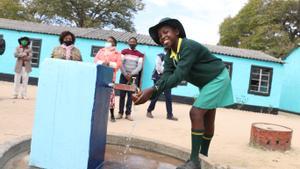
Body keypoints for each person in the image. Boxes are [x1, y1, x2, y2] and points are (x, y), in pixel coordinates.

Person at [133, 18, 234, 169]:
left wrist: (152, 90)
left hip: (217, 77)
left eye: (166, 32)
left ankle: (194, 161)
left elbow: (178, 76)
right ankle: (202, 156)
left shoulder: (188, 46)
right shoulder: (169, 56)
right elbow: (165, 78)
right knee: (208, 115)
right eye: (160, 36)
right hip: (205, 82)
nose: (163, 37)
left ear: (177, 32)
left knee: (196, 113)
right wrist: (149, 94)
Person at [94, 36, 122, 122]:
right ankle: (97, 114)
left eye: (111, 41)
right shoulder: (101, 51)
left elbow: (118, 65)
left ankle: (112, 115)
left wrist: (109, 63)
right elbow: (95, 61)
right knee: (98, 95)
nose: (108, 42)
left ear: (114, 44)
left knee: (111, 97)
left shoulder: (117, 54)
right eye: (107, 41)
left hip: (110, 77)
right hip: (100, 75)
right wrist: (102, 62)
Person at [117, 37, 144, 121]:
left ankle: (128, 114)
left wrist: (131, 75)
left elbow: (139, 66)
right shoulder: (124, 51)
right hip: (123, 75)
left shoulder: (140, 54)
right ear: (128, 43)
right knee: (122, 95)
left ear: (136, 44)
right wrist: (125, 74)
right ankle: (120, 113)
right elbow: (120, 63)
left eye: (134, 42)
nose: (132, 43)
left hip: (133, 77)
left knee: (130, 95)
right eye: (131, 41)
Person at [146, 49, 178, 121]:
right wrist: (168, 71)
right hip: (158, 78)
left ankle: (169, 115)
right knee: (156, 95)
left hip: (167, 79)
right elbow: (158, 68)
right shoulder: (160, 56)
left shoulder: (173, 58)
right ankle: (149, 111)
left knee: (168, 97)